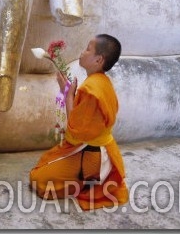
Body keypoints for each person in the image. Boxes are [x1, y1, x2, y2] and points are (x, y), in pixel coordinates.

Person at [29, 34, 129, 210]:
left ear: (98, 60)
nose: (82, 52)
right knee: (44, 162)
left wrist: (68, 97)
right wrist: (66, 89)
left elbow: (75, 133)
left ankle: (90, 180)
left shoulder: (92, 90)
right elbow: (83, 116)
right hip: (94, 146)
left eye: (88, 49)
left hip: (92, 156)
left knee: (39, 182)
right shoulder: (99, 82)